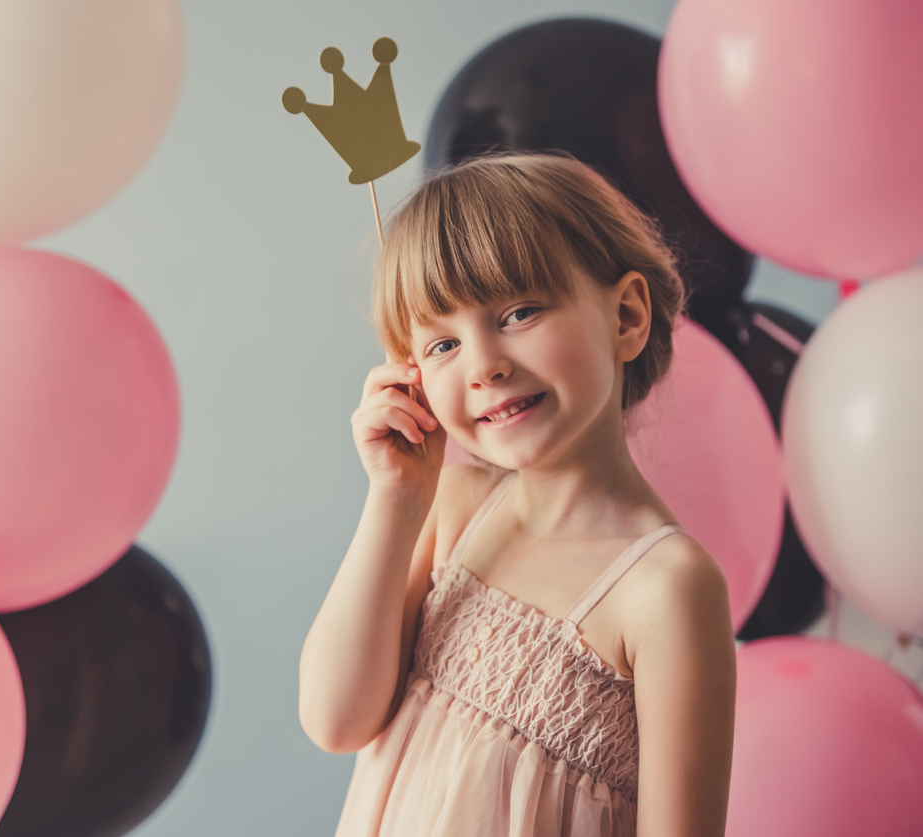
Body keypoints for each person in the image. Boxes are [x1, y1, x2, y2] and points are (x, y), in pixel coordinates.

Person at [299, 152, 737, 837]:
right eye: (441, 345)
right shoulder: (451, 505)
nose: (484, 365)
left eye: (519, 311)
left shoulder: (667, 586)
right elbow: (335, 717)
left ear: (625, 316)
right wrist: (395, 497)